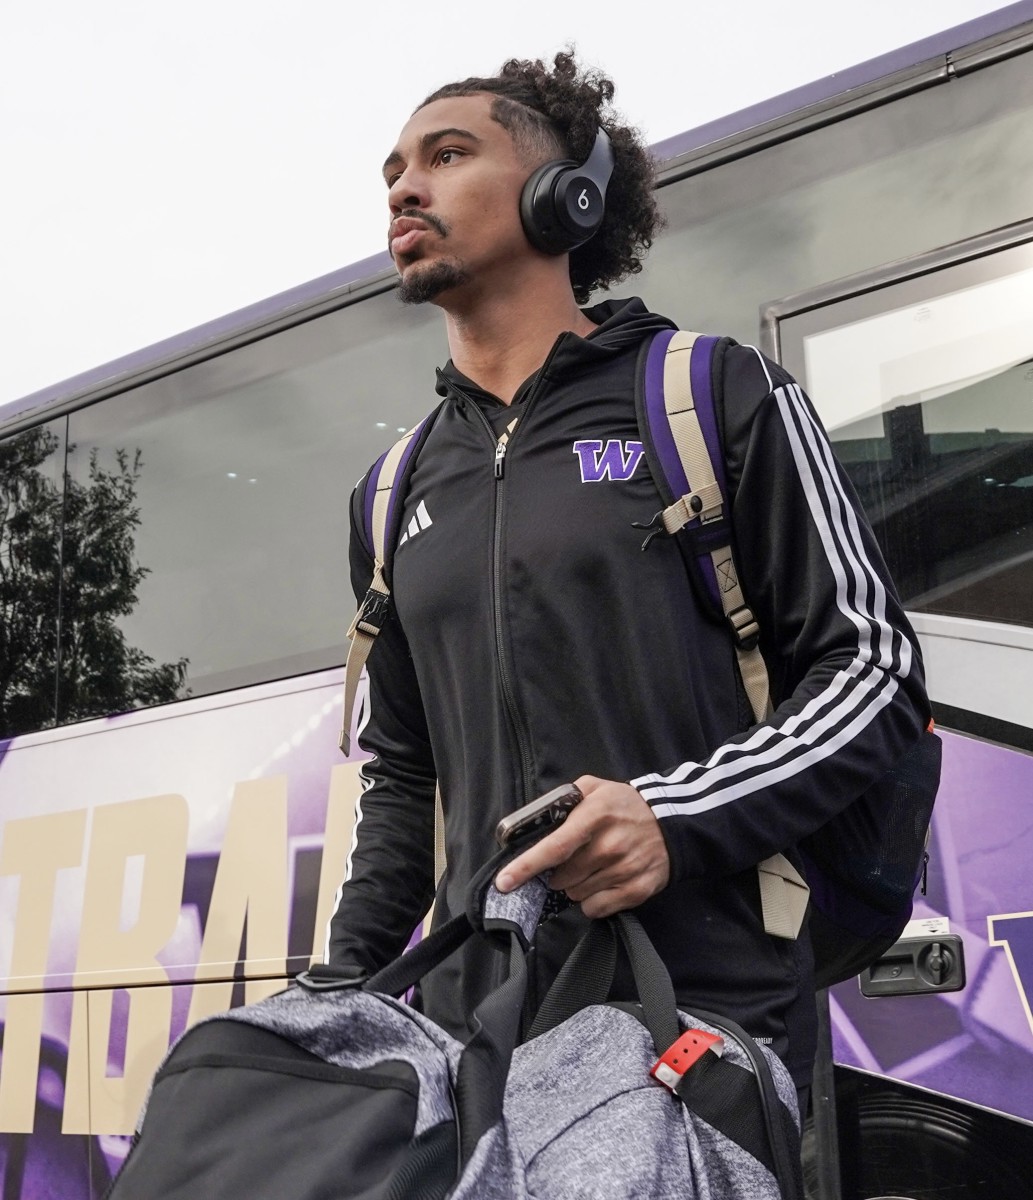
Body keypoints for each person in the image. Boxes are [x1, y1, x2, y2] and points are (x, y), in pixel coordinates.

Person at [326, 51, 931, 1099]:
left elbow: (874, 673)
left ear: (568, 192)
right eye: (392, 170)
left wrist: (673, 816)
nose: (403, 188)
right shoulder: (391, 490)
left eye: (448, 154)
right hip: (482, 1042)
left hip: (699, 1014)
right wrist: (334, 992)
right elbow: (402, 781)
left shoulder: (713, 395)